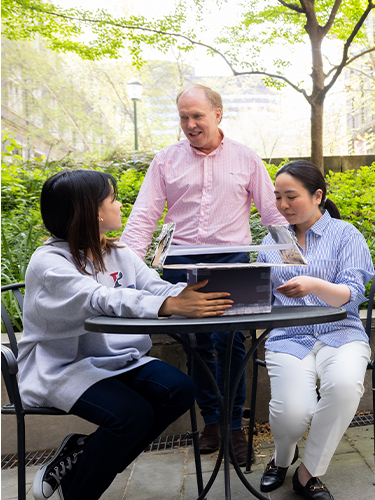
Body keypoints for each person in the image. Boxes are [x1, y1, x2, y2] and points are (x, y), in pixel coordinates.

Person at [19, 169, 233, 500]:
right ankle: (76, 492)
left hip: (119, 359)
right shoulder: (50, 264)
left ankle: (83, 451)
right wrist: (169, 305)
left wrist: (201, 294)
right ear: (90, 211)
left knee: (180, 389)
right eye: (114, 199)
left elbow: (156, 288)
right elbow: (99, 298)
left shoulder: (116, 253)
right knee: (132, 417)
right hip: (62, 367)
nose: (121, 205)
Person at [121, 84, 286, 465]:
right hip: (181, 261)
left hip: (230, 259)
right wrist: (125, 267)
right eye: (184, 117)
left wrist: (293, 256)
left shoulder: (247, 159)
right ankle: (211, 422)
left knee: (229, 343)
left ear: (217, 114)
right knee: (196, 343)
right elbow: (145, 215)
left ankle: (233, 427)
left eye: (197, 116)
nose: (190, 124)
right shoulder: (165, 160)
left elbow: (271, 213)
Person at [254, 161, 374, 500]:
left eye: (291, 196)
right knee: (292, 414)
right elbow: (260, 293)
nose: (283, 205)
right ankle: (282, 457)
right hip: (289, 335)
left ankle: (307, 473)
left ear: (317, 195)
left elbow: (352, 295)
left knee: (345, 386)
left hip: (341, 332)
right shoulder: (275, 240)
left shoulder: (345, 234)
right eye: (278, 197)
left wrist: (313, 284)